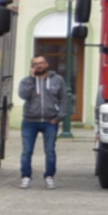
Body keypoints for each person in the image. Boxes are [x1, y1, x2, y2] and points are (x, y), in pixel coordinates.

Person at [18, 55, 64, 189]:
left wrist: (59, 117)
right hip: (30, 121)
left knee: (50, 151)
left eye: (41, 63)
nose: (39, 65)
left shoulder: (58, 80)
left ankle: (49, 176)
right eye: (36, 64)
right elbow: (23, 95)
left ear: (47, 64)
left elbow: (63, 100)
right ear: (32, 66)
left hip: (50, 121)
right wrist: (32, 79)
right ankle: (25, 177)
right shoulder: (26, 81)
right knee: (27, 151)